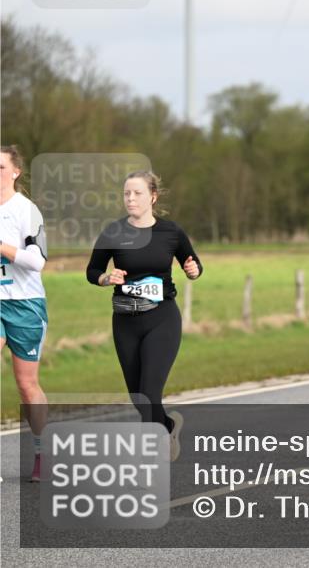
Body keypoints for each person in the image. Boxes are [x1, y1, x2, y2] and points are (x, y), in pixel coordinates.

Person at [86, 171, 203, 461]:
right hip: (125, 321)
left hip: (161, 317)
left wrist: (193, 271)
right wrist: (105, 278)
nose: (130, 198)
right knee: (139, 397)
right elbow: (92, 271)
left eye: (137, 193)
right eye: (126, 193)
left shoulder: (171, 232)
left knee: (150, 391)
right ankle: (167, 425)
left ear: (153, 196)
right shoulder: (113, 232)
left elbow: (194, 263)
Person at [0, 146, 49, 482]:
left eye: (0, 167)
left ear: (15, 172)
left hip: (26, 304)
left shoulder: (25, 210)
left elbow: (37, 261)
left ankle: (42, 453)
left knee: (26, 384)